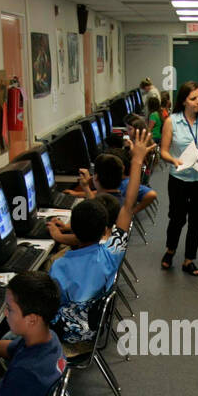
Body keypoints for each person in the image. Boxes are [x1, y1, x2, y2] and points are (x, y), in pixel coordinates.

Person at [51, 130, 152, 346]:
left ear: (74, 231)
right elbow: (128, 206)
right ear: (105, 229)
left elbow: (50, 307)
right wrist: (137, 161)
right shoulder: (110, 253)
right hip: (96, 326)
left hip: (66, 336)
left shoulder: (59, 266)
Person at [160, 81, 198, 276]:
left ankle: (189, 259)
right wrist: (173, 160)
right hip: (179, 178)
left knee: (196, 220)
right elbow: (163, 151)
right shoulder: (172, 121)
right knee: (177, 218)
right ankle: (170, 250)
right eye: (193, 98)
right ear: (184, 101)